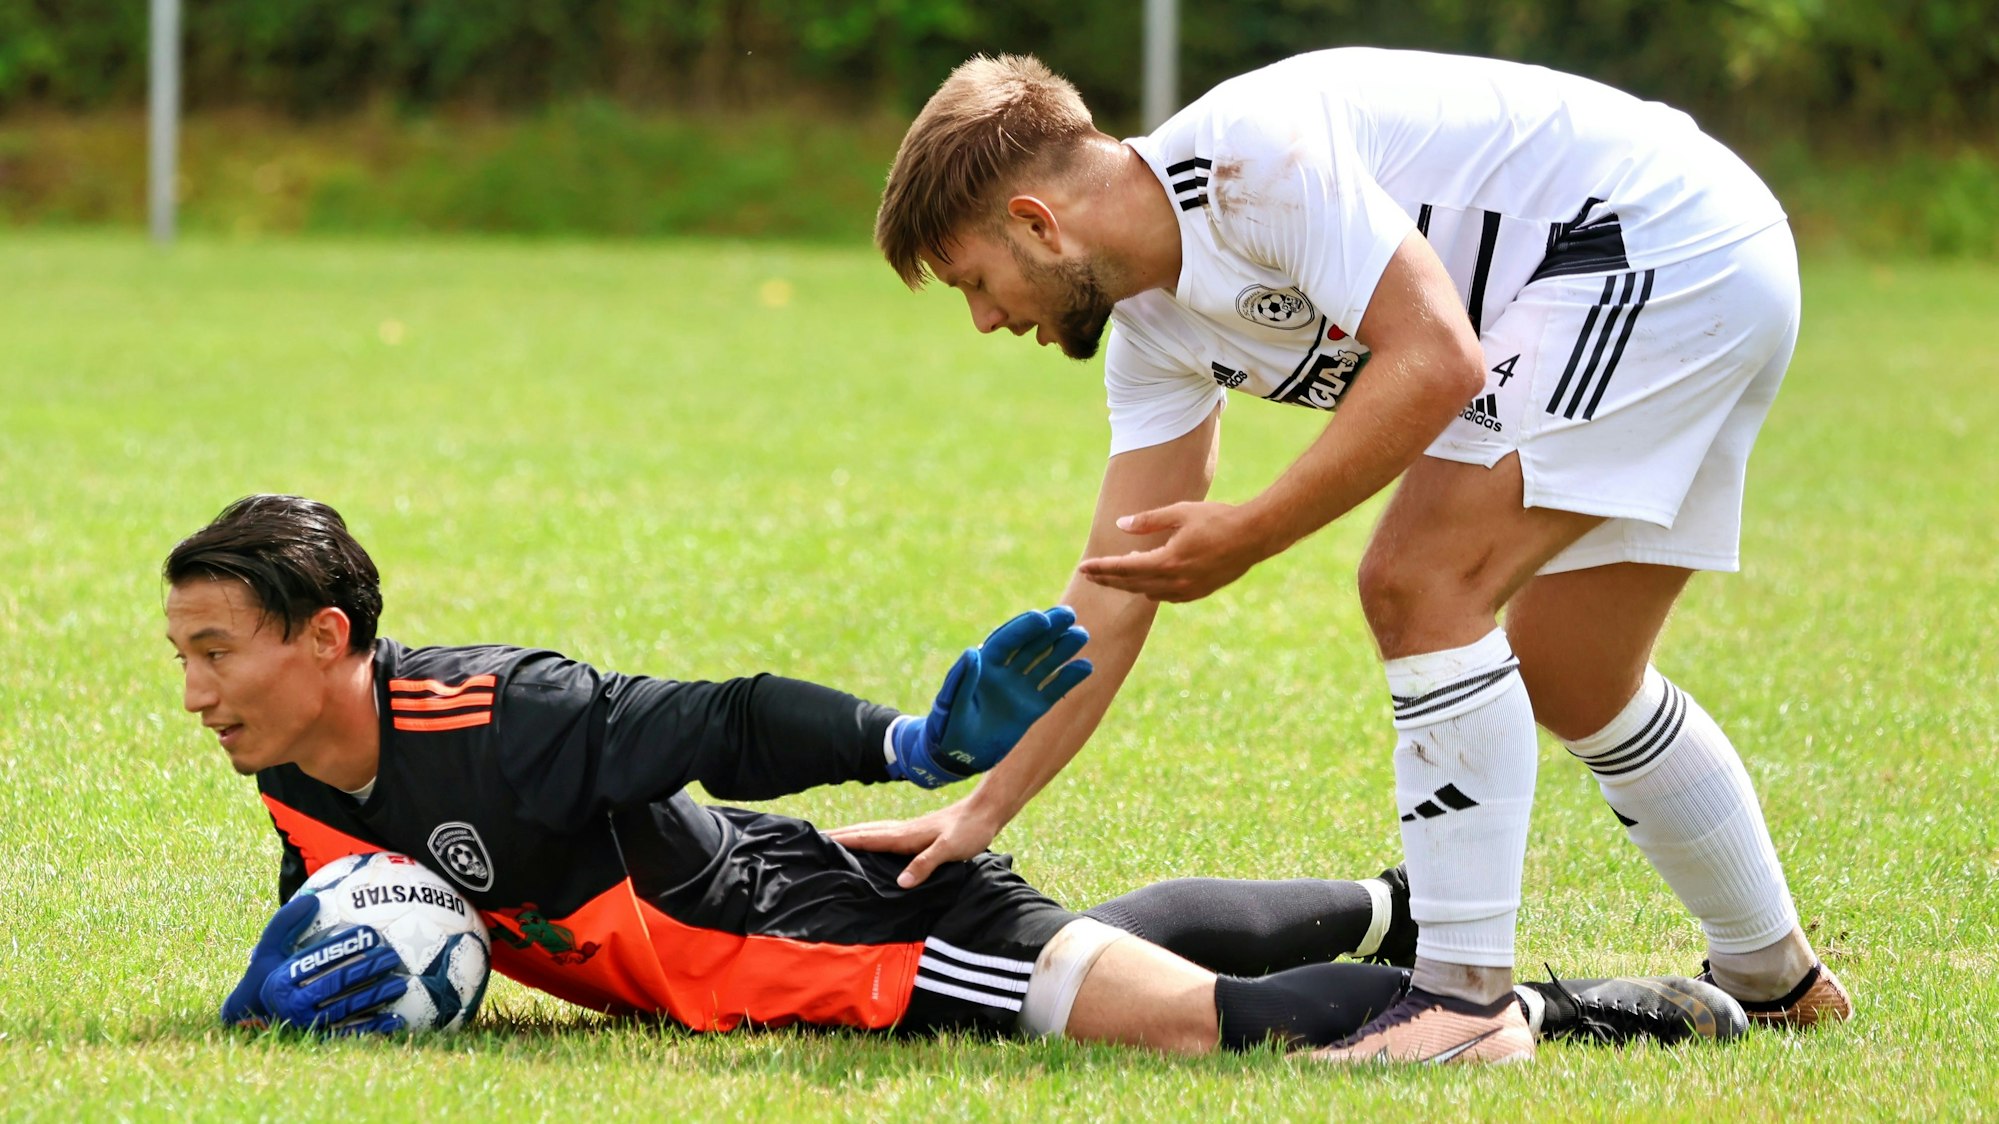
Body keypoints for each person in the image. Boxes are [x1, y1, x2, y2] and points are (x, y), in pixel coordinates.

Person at [854, 49, 1852, 1063]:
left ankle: (1464, 1006)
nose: (985, 318)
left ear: (1035, 221)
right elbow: (1113, 586)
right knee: (1574, 669)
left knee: (1418, 582)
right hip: (1691, 259)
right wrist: (981, 808)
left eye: (974, 280)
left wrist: (1250, 530)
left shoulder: (1250, 163)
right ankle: (1773, 976)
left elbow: (1438, 357)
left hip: (1667, 242)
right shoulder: (1152, 334)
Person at [168, 494, 1739, 1053]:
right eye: (182, 654)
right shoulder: (298, 772)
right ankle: (1390, 909)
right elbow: (344, 926)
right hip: (826, 918)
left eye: (214, 651)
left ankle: (1530, 1011)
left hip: (846, 959)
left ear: (324, 641)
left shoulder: (501, 714)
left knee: (1182, 1028)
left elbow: (724, 717)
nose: (195, 692)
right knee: (1114, 939)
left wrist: (913, 744)